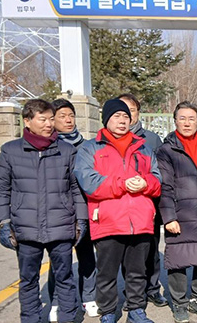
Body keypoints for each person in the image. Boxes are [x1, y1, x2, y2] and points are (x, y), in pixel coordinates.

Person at [0, 98, 87, 323]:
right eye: (42, 119)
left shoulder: (65, 150)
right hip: (26, 230)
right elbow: (0, 189)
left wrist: (81, 220)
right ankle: (31, 319)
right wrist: (4, 222)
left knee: (65, 277)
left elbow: (76, 188)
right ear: (27, 121)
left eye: (51, 119)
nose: (48, 124)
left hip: (61, 226)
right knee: (28, 280)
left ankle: (68, 317)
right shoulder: (10, 151)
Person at [74, 98, 162, 323]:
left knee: (137, 272)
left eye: (126, 116)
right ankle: (108, 312)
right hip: (108, 220)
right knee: (107, 273)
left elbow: (157, 179)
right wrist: (123, 183)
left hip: (140, 220)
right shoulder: (91, 147)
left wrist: (145, 183)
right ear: (106, 120)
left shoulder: (143, 147)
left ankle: (136, 309)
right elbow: (89, 182)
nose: (123, 121)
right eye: (117, 116)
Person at [156, 102, 197, 323]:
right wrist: (169, 217)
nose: (186, 122)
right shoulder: (167, 150)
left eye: (191, 118)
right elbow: (165, 187)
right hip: (181, 214)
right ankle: (180, 303)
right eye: (182, 118)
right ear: (175, 121)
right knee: (178, 260)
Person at [47, 99, 98, 321]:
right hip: (58, 211)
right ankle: (58, 301)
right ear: (52, 120)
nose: (68, 120)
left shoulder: (86, 145)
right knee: (59, 258)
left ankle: (89, 297)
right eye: (62, 116)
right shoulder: (48, 147)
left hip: (83, 209)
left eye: (71, 115)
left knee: (87, 256)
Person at [116, 93, 168, 308]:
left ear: (138, 113)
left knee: (151, 249)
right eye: (123, 111)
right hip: (121, 207)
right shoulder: (110, 140)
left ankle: (153, 288)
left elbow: (160, 174)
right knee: (127, 252)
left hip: (148, 206)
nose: (128, 115)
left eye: (132, 110)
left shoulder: (152, 139)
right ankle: (132, 292)